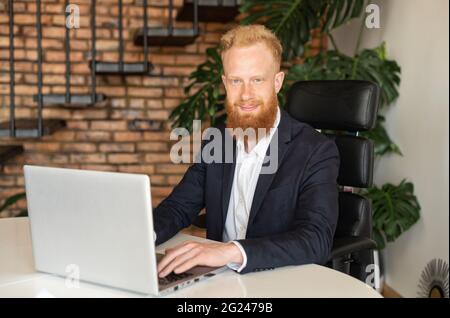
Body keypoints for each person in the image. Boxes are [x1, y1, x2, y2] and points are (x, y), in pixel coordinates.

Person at [154, 25, 340, 277]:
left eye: (257, 80)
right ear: (225, 83)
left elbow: (315, 239)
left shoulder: (315, 151)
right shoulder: (217, 141)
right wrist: (142, 236)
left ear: (277, 82)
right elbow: (178, 207)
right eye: (236, 81)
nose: (246, 95)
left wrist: (231, 252)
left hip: (280, 282)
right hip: (218, 282)